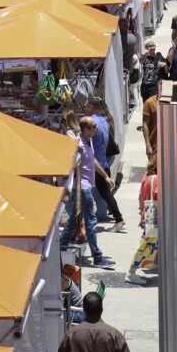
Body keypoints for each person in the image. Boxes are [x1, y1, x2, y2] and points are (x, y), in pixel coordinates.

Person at [59, 117, 115, 269]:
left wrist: (105, 176)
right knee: (91, 222)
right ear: (86, 129)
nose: (96, 128)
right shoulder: (77, 144)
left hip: (87, 187)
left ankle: (61, 247)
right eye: (94, 126)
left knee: (74, 220)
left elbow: (93, 160)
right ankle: (97, 257)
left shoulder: (88, 141)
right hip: (82, 189)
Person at [85, 100, 126, 232]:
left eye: (87, 105)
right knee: (104, 193)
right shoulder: (104, 120)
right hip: (104, 162)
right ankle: (116, 218)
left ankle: (119, 219)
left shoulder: (91, 122)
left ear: (94, 107)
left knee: (102, 194)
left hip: (96, 164)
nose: (85, 107)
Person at [126, 156, 159, 286]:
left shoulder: (146, 176)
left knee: (152, 241)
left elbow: (140, 195)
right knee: (146, 244)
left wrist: (142, 215)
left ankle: (155, 263)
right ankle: (131, 272)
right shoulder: (155, 178)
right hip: (153, 211)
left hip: (148, 210)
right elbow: (157, 196)